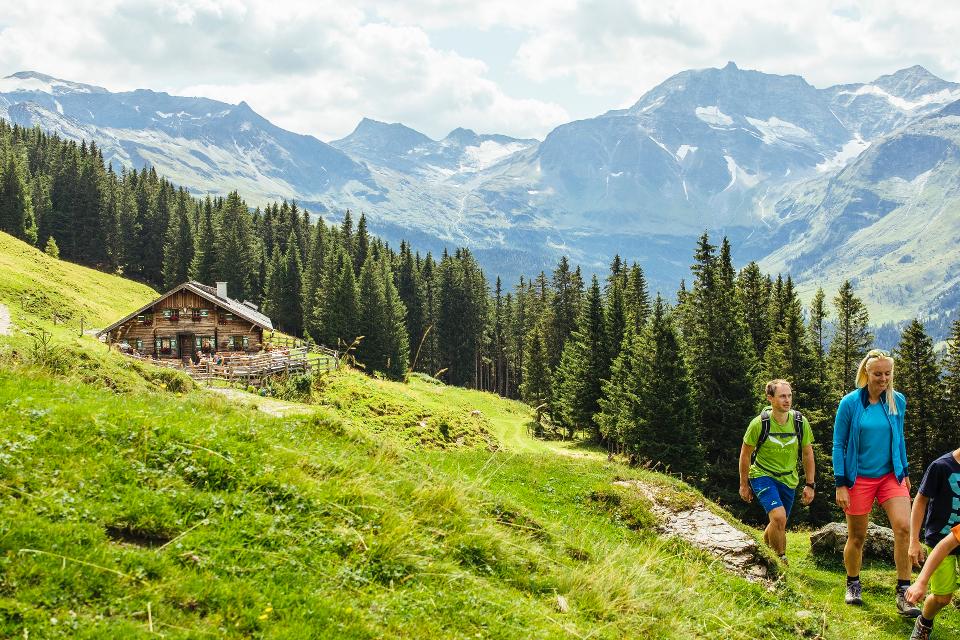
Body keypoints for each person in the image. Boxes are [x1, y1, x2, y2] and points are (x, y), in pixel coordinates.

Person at [833, 348, 919, 616]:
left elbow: (899, 438)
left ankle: (904, 592)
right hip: (858, 478)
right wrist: (840, 483)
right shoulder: (850, 403)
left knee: (903, 528)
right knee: (857, 536)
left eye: (888, 373)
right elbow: (838, 444)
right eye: (878, 374)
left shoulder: (897, 401)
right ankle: (853, 583)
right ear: (866, 373)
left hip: (891, 476)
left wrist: (905, 472)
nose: (883, 379)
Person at [739, 379, 815, 564]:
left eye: (789, 396)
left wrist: (810, 484)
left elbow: (807, 453)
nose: (787, 400)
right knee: (779, 517)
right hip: (762, 475)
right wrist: (743, 484)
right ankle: (781, 560)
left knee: (778, 522)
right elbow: (745, 455)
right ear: (770, 398)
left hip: (789, 479)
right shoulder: (759, 423)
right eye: (782, 396)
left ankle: (763, 552)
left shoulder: (800, 422)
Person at [905, 447, 960, 639]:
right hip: (940, 540)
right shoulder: (941, 466)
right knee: (942, 598)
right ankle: (924, 623)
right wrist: (914, 541)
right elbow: (920, 501)